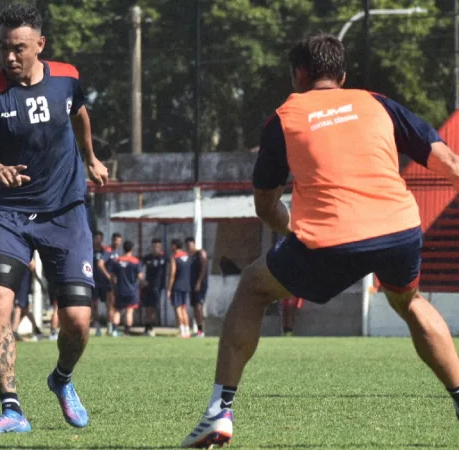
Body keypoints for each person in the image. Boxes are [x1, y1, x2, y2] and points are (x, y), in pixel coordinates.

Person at [182, 33, 459, 448]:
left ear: (298, 75)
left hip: (331, 238)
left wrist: (293, 233)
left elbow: (265, 206)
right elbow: (450, 162)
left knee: (253, 287)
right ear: (342, 76)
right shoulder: (377, 103)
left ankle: (219, 412)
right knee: (410, 301)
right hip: (399, 228)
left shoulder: (284, 118)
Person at [0, 3, 108, 434]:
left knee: (78, 321)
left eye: (19, 48)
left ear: (39, 45)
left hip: (66, 213)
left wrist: (90, 157)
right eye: (3, 48)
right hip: (12, 214)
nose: (9, 57)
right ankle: (12, 409)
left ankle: (61, 379)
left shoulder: (66, 77)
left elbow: (79, 114)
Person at [110, 241, 144, 336]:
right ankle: (126, 331)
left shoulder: (117, 260)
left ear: (123, 248)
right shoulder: (135, 261)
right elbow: (140, 277)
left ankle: (114, 331)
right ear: (132, 249)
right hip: (131, 291)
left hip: (120, 290)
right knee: (129, 311)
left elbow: (112, 277)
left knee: (117, 310)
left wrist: (114, 285)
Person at [12, 257, 44, 341]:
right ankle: (37, 330)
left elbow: (33, 267)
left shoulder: (26, 257)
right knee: (25, 310)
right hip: (20, 286)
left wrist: (40, 282)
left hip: (23, 287)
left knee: (18, 308)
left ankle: (13, 332)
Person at [141, 238, 167, 337]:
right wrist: (142, 280)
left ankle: (150, 326)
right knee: (147, 307)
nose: (156, 248)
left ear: (160, 247)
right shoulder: (147, 258)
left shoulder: (163, 258)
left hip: (158, 287)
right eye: (154, 246)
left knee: (154, 307)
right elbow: (139, 269)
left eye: (158, 247)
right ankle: (147, 327)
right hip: (147, 286)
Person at [167, 239, 192, 338]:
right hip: (186, 286)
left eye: (171, 245)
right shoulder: (188, 256)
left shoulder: (174, 257)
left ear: (174, 246)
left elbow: (172, 274)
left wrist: (169, 289)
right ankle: (187, 331)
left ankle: (182, 331)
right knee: (184, 309)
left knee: (177, 308)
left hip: (177, 286)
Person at [91, 230, 112, 337]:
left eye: (100, 238)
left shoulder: (106, 250)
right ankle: (97, 327)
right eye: (96, 238)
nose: (98, 240)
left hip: (105, 283)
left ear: (102, 239)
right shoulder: (89, 250)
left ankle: (110, 327)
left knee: (109, 304)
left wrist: (109, 276)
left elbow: (106, 264)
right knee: (94, 306)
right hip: (93, 282)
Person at [187, 237, 208, 338]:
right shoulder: (190, 256)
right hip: (192, 284)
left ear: (194, 244)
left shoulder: (201, 253)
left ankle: (201, 331)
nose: (189, 247)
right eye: (187, 245)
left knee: (199, 306)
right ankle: (199, 330)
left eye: (190, 245)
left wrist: (199, 282)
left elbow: (203, 268)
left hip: (200, 284)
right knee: (195, 307)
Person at [104, 232, 123, 335]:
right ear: (112, 240)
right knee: (111, 305)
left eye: (119, 241)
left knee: (114, 305)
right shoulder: (108, 251)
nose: (118, 243)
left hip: (117, 283)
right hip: (109, 283)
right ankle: (110, 327)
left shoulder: (117, 252)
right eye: (116, 241)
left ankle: (112, 326)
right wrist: (108, 276)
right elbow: (100, 263)